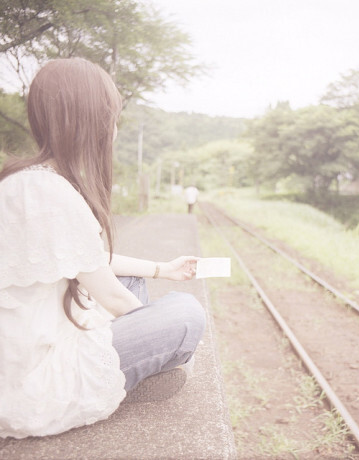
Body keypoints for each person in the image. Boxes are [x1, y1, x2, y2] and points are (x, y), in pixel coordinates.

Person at [0, 58, 206, 439]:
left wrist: (162, 268)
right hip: (33, 378)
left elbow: (88, 261)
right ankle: (132, 372)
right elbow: (112, 295)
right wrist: (157, 333)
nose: (114, 130)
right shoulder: (50, 192)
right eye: (112, 118)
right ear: (91, 120)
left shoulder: (29, 181)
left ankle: (132, 361)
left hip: (23, 346)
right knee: (186, 312)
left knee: (136, 280)